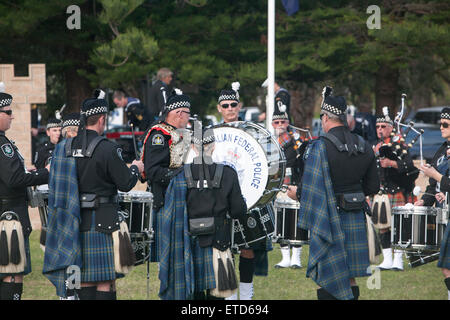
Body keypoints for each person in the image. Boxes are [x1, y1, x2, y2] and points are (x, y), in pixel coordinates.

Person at [50, 89, 144, 300]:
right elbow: (126, 183)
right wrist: (136, 167)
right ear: (102, 119)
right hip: (102, 222)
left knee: (82, 279)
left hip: (72, 221)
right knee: (105, 280)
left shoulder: (63, 147)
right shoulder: (107, 148)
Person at [287, 88, 380, 300]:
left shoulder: (319, 147)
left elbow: (310, 188)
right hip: (356, 216)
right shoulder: (364, 145)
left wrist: (296, 194)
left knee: (329, 274)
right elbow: (373, 187)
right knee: (349, 276)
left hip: (328, 218)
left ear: (326, 117)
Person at [216, 82, 267, 300]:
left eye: (233, 104)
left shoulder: (252, 131)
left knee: (248, 247)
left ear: (239, 106)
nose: (229, 109)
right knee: (224, 248)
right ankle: (229, 293)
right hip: (220, 198)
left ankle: (246, 292)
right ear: (219, 108)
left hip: (248, 194)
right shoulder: (213, 132)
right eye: (225, 105)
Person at [185, 129, 247, 300]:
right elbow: (238, 211)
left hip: (191, 243)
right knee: (217, 296)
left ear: (193, 147)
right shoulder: (228, 173)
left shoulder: (181, 174)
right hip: (219, 242)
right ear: (213, 146)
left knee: (194, 295)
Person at [0, 91, 50, 300]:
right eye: (8, 112)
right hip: (9, 216)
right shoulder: (2, 145)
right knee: (12, 274)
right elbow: (14, 180)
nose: (12, 116)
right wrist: (46, 173)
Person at [142, 89, 192, 263]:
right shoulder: (159, 135)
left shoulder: (178, 133)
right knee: (169, 257)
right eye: (188, 114)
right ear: (179, 113)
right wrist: (184, 174)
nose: (189, 118)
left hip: (180, 198)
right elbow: (153, 171)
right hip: (165, 200)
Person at [372, 111, 417, 271]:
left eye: (383, 126)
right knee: (382, 225)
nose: (380, 129)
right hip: (380, 192)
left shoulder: (399, 144)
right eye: (377, 126)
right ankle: (387, 259)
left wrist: (391, 163)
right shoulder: (375, 146)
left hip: (397, 190)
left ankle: (398, 259)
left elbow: (410, 166)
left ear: (391, 128)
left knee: (397, 225)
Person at [415, 107, 450, 300]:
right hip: (445, 213)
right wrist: (425, 200)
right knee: (447, 267)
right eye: (441, 124)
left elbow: (442, 179)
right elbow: (433, 184)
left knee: (448, 267)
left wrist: (434, 174)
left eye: (446, 125)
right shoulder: (442, 149)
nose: (441, 128)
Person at [271, 108, 305, 269]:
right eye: (276, 122)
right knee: (280, 221)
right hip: (277, 184)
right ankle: (285, 257)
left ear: (288, 123)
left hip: (294, 183)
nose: (279, 125)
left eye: (282, 122)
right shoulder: (269, 141)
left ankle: (296, 258)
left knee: (295, 219)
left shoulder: (295, 141)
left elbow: (302, 162)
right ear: (272, 123)